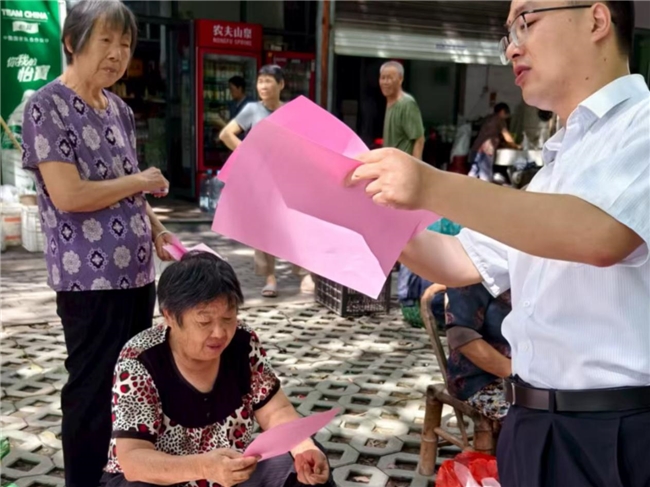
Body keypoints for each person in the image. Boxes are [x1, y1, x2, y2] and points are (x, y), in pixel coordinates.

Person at [349, 1, 649, 486]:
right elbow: (455, 259)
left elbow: (599, 233)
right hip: (533, 423)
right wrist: (364, 212)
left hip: (616, 434)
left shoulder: (643, 125)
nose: (512, 47)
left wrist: (430, 185)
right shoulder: (554, 168)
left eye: (526, 22)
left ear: (597, 19)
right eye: (508, 32)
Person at [20, 2, 177, 486]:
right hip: (88, 281)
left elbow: (129, 188)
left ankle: (123, 475)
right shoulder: (46, 106)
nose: (117, 54)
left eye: (125, 44)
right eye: (105, 40)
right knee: (91, 392)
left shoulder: (120, 110)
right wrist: (141, 180)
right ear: (72, 42)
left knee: (131, 385)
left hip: (137, 275)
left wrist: (157, 230)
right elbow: (69, 195)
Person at [100, 251, 334, 487]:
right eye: (204, 322)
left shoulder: (243, 342)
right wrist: (204, 468)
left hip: (231, 476)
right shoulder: (140, 360)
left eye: (228, 318)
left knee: (305, 461)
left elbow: (275, 411)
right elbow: (133, 460)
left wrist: (303, 448)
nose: (220, 333)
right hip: (165, 479)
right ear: (169, 316)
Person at [219, 65, 314, 298]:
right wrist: (249, 152)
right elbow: (226, 134)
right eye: (260, 81)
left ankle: (305, 273)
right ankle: (270, 278)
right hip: (261, 179)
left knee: (297, 225)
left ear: (281, 85)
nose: (263, 86)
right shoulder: (252, 109)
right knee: (264, 228)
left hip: (289, 178)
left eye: (268, 81)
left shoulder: (292, 111)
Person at [445, 285, 512, 422]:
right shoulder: (472, 277)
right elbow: (461, 335)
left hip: (538, 376)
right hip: (482, 380)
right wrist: (518, 374)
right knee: (537, 417)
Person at [379, 61, 425, 159]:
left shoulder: (407, 104)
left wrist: (414, 166)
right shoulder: (388, 102)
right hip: (390, 163)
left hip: (402, 165)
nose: (385, 82)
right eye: (383, 78)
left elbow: (419, 139)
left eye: (390, 78)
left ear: (400, 79)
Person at [468, 103, 519, 182]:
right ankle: (485, 188)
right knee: (485, 173)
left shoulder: (488, 118)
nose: (507, 117)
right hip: (487, 148)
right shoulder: (499, 119)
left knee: (474, 170)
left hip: (477, 146)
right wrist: (516, 146)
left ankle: (468, 185)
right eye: (507, 114)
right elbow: (507, 136)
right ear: (502, 111)